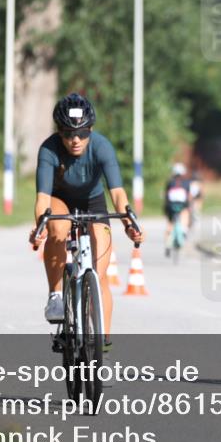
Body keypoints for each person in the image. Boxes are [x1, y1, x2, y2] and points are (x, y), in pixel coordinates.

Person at [28, 93, 143, 338]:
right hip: (60, 199)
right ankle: (55, 295)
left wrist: (128, 223)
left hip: (93, 201)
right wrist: (40, 227)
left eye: (81, 133)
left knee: (100, 276)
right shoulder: (48, 149)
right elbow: (42, 199)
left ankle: (103, 342)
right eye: (68, 133)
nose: (75, 140)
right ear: (59, 132)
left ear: (90, 129)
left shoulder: (102, 147)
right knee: (58, 228)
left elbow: (118, 194)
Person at [164, 163, 191, 256]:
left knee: (170, 224)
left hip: (170, 207)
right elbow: (189, 197)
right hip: (182, 206)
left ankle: (167, 243)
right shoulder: (187, 183)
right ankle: (184, 231)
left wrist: (165, 209)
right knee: (185, 215)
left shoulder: (170, 182)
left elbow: (166, 196)